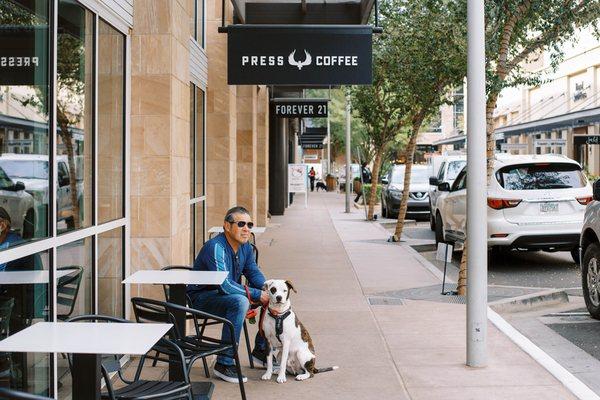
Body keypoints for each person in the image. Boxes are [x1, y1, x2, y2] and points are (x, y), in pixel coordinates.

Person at [187, 206, 270, 383]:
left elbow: (252, 271)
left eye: (249, 224)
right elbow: (224, 285)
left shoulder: (245, 246)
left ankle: (261, 351)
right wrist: (256, 294)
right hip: (201, 298)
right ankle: (224, 363)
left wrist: (268, 289)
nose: (246, 228)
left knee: (276, 297)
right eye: (241, 224)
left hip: (224, 296)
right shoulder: (215, 247)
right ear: (226, 225)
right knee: (240, 302)